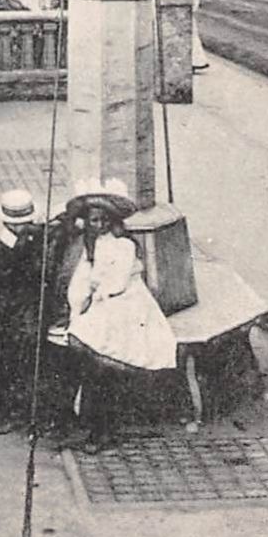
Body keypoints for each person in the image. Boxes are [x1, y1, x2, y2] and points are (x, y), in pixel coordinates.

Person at [61, 178, 176, 452]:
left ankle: (102, 429)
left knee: (104, 363)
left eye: (101, 220)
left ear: (111, 221)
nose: (96, 225)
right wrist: (80, 301)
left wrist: (93, 295)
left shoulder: (122, 246)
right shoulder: (89, 247)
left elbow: (115, 284)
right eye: (91, 220)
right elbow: (81, 281)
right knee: (87, 361)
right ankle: (89, 423)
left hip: (126, 306)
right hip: (101, 305)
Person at [0, 189, 49, 435]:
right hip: (7, 316)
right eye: (19, 224)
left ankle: (30, 409)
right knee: (6, 361)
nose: (24, 227)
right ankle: (4, 410)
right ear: (7, 223)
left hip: (32, 311)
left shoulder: (36, 243)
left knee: (33, 361)